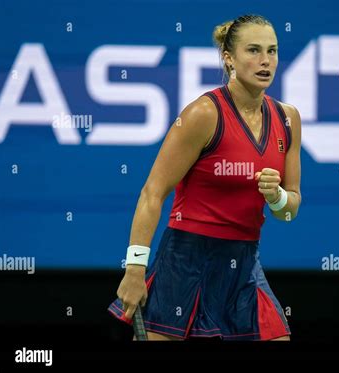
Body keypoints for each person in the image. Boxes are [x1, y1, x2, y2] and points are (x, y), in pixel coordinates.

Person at [108, 14, 302, 341]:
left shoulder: (288, 118)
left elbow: (289, 210)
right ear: (228, 58)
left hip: (244, 264)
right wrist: (134, 269)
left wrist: (277, 197)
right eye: (253, 50)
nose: (265, 61)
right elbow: (152, 193)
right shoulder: (203, 114)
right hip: (184, 263)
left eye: (272, 50)